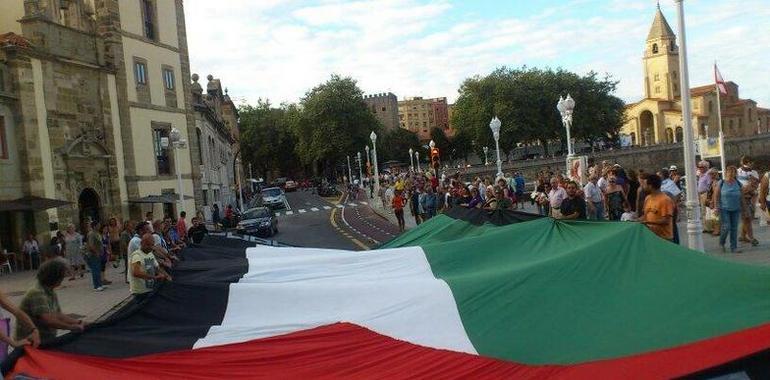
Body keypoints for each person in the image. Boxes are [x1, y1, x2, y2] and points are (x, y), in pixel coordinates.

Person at [16, 258, 86, 344]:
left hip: (44, 340)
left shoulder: (50, 291)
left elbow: (58, 315)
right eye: (62, 277)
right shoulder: (37, 293)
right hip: (30, 343)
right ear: (54, 277)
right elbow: (49, 320)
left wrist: (78, 322)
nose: (63, 279)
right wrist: (71, 327)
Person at [129, 234, 172, 303]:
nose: (151, 247)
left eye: (152, 245)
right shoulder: (137, 255)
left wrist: (167, 276)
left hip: (150, 289)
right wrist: (154, 277)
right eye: (148, 245)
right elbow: (136, 273)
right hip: (140, 293)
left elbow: (157, 268)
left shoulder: (150, 254)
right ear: (142, 243)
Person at [713, 166, 743, 253]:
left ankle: (733, 247)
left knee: (734, 228)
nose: (731, 174)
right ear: (726, 173)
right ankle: (722, 242)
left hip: (736, 208)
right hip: (724, 209)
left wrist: (745, 208)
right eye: (730, 172)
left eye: (733, 172)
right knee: (726, 227)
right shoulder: (721, 182)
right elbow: (716, 195)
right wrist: (716, 207)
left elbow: (742, 197)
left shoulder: (738, 183)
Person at [640, 174, 676, 242]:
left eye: (644, 184)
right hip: (651, 237)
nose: (643, 186)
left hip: (664, 239)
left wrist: (647, 222)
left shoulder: (665, 200)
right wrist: (635, 220)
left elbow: (666, 220)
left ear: (650, 186)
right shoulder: (647, 198)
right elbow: (645, 216)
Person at [739, 172, 760, 247]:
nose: (755, 181)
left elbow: (754, 198)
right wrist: (745, 207)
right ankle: (752, 238)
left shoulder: (754, 186)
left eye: (756, 180)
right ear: (750, 179)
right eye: (753, 179)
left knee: (747, 221)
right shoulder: (746, 187)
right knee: (747, 221)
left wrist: (753, 207)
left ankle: (743, 236)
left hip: (749, 205)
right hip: (744, 205)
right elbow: (741, 197)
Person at [85, 222, 106, 291]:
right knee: (95, 270)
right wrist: (96, 252)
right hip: (93, 254)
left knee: (98, 269)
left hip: (99, 253)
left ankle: (100, 284)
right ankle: (96, 285)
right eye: (98, 225)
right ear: (94, 226)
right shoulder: (91, 234)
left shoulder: (97, 233)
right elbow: (91, 245)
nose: (99, 227)